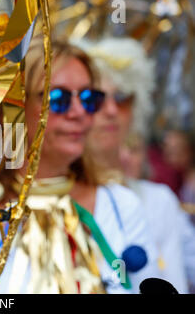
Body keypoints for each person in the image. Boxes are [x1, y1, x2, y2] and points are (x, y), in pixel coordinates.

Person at [0, 36, 158, 294]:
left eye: (89, 98)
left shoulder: (122, 206)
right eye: (58, 98)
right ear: (15, 107)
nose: (78, 112)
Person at [73, 37, 192, 293]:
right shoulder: (44, 192)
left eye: (123, 98)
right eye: (97, 98)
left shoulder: (159, 201)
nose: (112, 110)